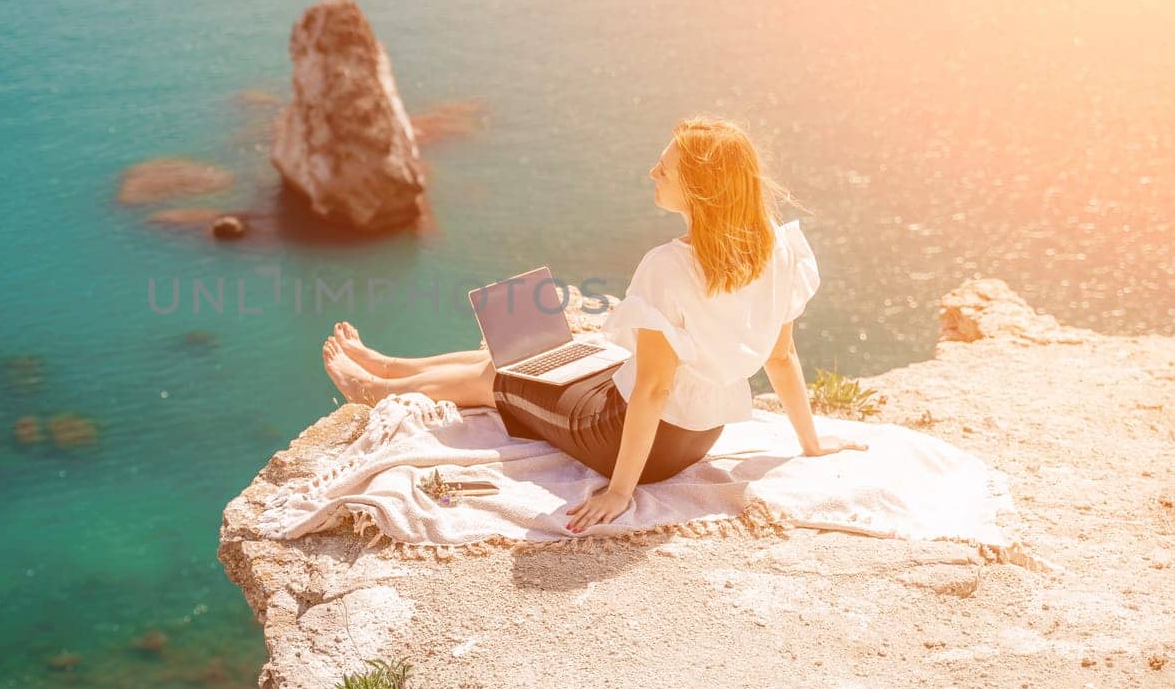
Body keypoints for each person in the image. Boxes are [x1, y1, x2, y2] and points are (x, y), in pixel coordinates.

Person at [321, 115, 867, 534]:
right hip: (700, 437)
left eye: (665, 169)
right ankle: (390, 365)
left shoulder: (668, 265)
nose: (652, 174)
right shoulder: (777, 247)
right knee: (543, 352)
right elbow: (781, 357)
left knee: (498, 379)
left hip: (629, 443)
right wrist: (810, 444)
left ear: (699, 188)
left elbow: (652, 390)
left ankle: (372, 389)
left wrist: (619, 491)